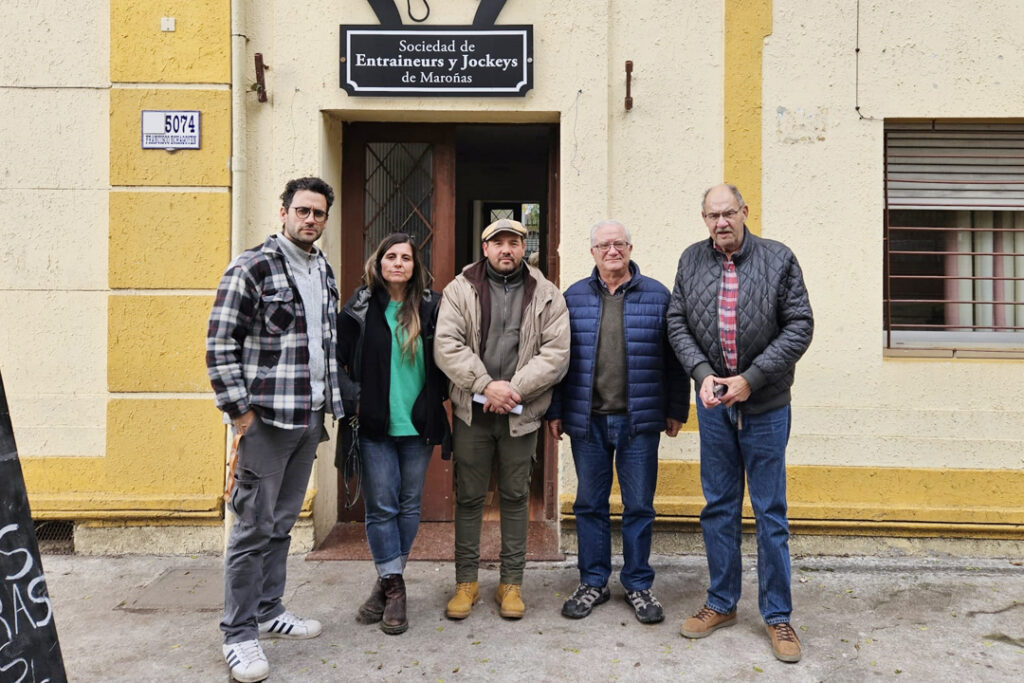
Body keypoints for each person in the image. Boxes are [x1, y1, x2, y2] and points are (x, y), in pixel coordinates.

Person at [666, 184, 813, 663]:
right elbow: (677, 323)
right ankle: (721, 603)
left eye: (729, 213)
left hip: (766, 405)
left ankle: (777, 616)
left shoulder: (778, 258)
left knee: (770, 512)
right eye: (712, 215)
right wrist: (703, 375)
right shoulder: (691, 260)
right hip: (714, 408)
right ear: (703, 218)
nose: (721, 222)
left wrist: (751, 378)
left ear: (745, 213)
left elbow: (799, 325)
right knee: (719, 506)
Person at [206, 177, 343, 683]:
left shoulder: (321, 269)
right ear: (283, 211)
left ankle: (269, 610)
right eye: (303, 211)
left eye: (319, 213)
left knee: (282, 524)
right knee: (250, 530)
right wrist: (241, 414)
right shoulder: (252, 266)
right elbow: (220, 345)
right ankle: (239, 635)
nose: (311, 220)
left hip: (308, 418)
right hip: (264, 422)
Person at [547, 220, 688, 624]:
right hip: (587, 422)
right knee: (590, 505)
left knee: (639, 506)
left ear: (630, 248)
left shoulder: (659, 296)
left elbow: (676, 358)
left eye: (619, 243)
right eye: (604, 245)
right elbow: (558, 362)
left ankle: (639, 585)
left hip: (639, 423)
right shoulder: (571, 297)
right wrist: (556, 411)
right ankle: (593, 581)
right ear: (592, 251)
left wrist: (677, 408)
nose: (612, 250)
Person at [434, 218, 570, 620]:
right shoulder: (459, 290)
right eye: (498, 243)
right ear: (485, 248)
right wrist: (485, 385)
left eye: (514, 242)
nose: (506, 249)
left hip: (521, 412)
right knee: (471, 498)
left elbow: (556, 353)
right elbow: (447, 344)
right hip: (471, 412)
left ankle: (511, 584)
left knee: (515, 497)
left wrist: (513, 389)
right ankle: (467, 584)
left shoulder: (547, 295)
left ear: (524, 248)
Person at [336, 233, 451, 635]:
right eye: (391, 256)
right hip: (374, 425)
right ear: (379, 262)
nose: (398, 263)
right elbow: (337, 362)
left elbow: (449, 356)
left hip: (418, 423)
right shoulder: (360, 307)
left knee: (408, 506)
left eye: (406, 257)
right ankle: (397, 591)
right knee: (381, 508)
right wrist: (356, 400)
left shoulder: (432, 307)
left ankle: (385, 581)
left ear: (415, 266)